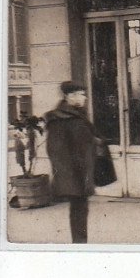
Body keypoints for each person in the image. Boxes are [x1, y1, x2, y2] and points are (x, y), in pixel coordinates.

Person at [44, 81, 101, 243]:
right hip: (74, 174)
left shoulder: (77, 115)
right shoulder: (59, 119)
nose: (85, 97)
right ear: (70, 96)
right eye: (81, 94)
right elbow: (55, 151)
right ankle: (79, 246)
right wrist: (69, 178)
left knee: (81, 210)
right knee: (78, 211)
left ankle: (80, 243)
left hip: (83, 172)